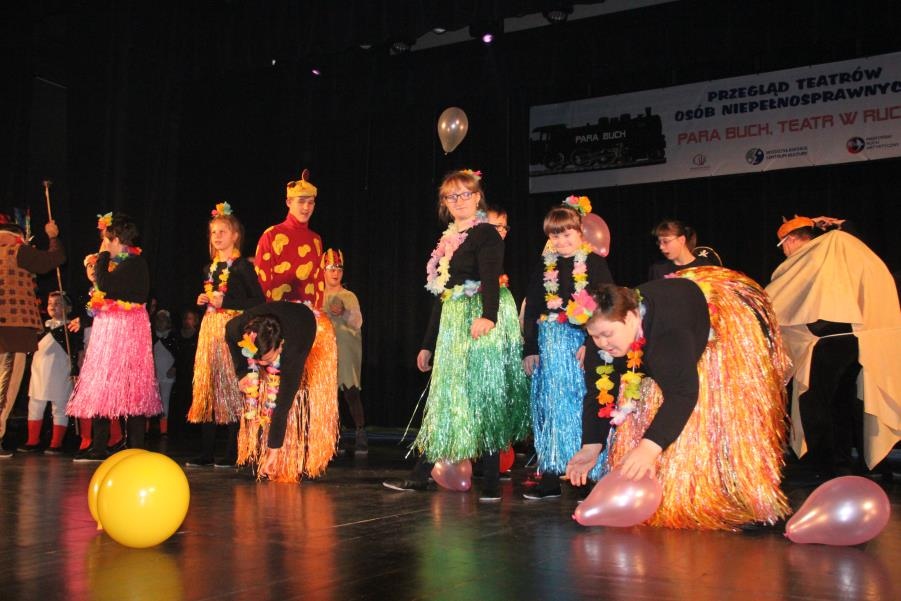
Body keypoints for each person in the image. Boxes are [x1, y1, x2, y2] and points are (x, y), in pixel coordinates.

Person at [566, 268, 791, 530]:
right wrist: (591, 446)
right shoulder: (600, 344)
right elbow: (598, 395)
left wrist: (649, 448)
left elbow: (683, 394)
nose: (602, 343)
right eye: (594, 336)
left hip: (710, 324)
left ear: (631, 316)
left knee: (710, 416)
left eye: (607, 334)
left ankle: (735, 494)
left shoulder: (668, 336)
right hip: (660, 336)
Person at [382, 169, 530, 502]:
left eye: (466, 194)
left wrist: (488, 316)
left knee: (484, 394)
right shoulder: (449, 239)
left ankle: (490, 480)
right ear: (445, 203)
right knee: (447, 397)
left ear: (477, 198)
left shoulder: (486, 234)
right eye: (452, 196)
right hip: (453, 321)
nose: (459, 201)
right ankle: (421, 475)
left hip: (479, 318)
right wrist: (427, 344)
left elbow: (490, 277)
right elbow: (443, 293)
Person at [766, 216, 901, 478]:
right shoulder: (841, 249)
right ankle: (843, 463)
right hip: (854, 339)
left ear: (790, 240)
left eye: (783, 245)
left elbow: (784, 299)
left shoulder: (814, 255)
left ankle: (828, 465)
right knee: (841, 402)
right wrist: (843, 225)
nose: (784, 252)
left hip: (828, 341)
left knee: (816, 403)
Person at [521, 196, 614, 500]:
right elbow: (533, 308)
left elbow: (605, 304)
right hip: (549, 345)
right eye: (555, 235)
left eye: (566, 234)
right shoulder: (543, 266)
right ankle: (550, 474)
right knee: (550, 407)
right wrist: (530, 348)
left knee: (581, 405)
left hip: (582, 343)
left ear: (579, 232)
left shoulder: (594, 263)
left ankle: (588, 476)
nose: (561, 241)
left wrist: (591, 342)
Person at [67, 213, 161, 460]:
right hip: (107, 329)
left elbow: (106, 285)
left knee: (133, 386)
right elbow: (103, 297)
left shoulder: (135, 263)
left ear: (115, 240)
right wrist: (85, 319)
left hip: (129, 330)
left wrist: (102, 257)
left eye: (105, 240)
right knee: (103, 384)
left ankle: (135, 446)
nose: (102, 244)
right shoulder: (116, 264)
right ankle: (99, 446)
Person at [187, 203, 265, 467]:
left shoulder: (242, 266)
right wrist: (204, 299)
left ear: (235, 236)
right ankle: (206, 451)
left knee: (233, 387)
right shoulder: (209, 268)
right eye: (213, 232)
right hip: (210, 329)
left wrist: (227, 302)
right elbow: (214, 297)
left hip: (233, 330)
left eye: (223, 231)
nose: (217, 236)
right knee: (209, 385)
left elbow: (258, 301)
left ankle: (232, 452)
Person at [225, 301, 337, 482]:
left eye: (268, 359)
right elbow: (228, 331)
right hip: (282, 317)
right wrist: (242, 373)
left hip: (312, 326)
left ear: (280, 345)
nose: (262, 364)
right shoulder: (240, 328)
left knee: (294, 398)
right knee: (262, 392)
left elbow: (282, 406)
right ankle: (259, 453)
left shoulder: (294, 350)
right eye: (258, 360)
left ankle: (301, 460)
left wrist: (273, 452)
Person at [0, 213, 65, 457]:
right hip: (12, 329)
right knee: (6, 384)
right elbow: (54, 259)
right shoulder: (17, 251)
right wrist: (53, 237)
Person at [18, 292, 82, 454]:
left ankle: (56, 443)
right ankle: (32, 440)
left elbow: (76, 351)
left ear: (68, 308)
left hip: (60, 373)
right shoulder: (41, 327)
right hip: (39, 373)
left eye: (58, 303)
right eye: (50, 303)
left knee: (59, 407)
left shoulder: (70, 329)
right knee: (35, 406)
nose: (53, 306)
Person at [254, 169, 324, 306]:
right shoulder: (272, 235)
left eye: (310, 202)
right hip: (277, 312)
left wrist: (318, 312)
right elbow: (261, 280)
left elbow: (318, 282)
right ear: (289, 202)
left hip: (307, 312)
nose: (306, 207)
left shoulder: (316, 239)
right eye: (301, 201)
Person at [321, 248, 367, 455]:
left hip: (346, 348)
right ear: (323, 271)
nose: (335, 273)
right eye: (331, 269)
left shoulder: (348, 296)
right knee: (328, 394)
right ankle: (333, 437)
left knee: (350, 391)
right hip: (325, 348)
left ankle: (360, 433)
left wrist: (344, 312)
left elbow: (358, 322)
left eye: (339, 269)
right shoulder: (317, 295)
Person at [647, 219, 716, 280]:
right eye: (659, 242)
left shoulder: (705, 268)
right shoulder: (657, 269)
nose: (661, 247)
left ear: (681, 240)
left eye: (665, 241)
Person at [151, 309, 178, 437]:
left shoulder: (172, 337)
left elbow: (179, 354)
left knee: (165, 399)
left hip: (168, 375)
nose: (161, 322)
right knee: (152, 401)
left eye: (163, 320)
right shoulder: (152, 337)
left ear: (168, 322)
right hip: (154, 374)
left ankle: (164, 429)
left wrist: (174, 367)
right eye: (158, 320)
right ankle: (148, 429)